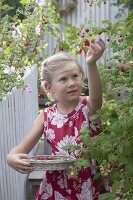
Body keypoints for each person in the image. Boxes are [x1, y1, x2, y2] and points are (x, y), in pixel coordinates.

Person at [6, 38, 105, 200]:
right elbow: (18, 151)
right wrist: (11, 159)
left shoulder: (88, 106)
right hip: (56, 188)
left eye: (75, 76)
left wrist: (91, 64)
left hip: (88, 184)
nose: (72, 83)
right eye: (63, 79)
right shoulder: (45, 116)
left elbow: (96, 99)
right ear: (49, 88)